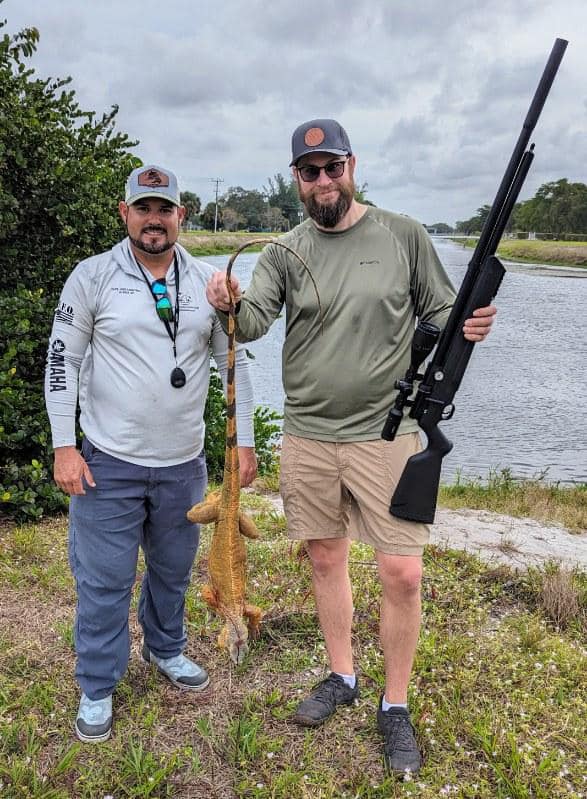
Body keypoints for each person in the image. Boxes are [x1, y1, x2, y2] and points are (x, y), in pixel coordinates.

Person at [205, 120, 496, 774]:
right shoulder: (281, 251)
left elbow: (446, 314)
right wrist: (226, 300)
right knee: (324, 557)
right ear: (296, 180)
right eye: (309, 171)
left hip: (387, 431)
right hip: (308, 431)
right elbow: (249, 323)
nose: (322, 180)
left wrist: (473, 322)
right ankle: (342, 675)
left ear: (350, 165)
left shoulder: (402, 234)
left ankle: (394, 705)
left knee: (402, 571)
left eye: (331, 166)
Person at [45, 164, 257, 744]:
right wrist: (66, 446)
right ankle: (97, 684)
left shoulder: (213, 282)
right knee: (105, 580)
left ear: (181, 217)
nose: (154, 220)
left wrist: (247, 444)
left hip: (183, 466)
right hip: (108, 462)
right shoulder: (90, 278)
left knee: (171, 570)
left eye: (165, 210)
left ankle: (166, 650)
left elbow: (232, 360)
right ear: (125, 213)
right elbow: (61, 363)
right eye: (144, 208)